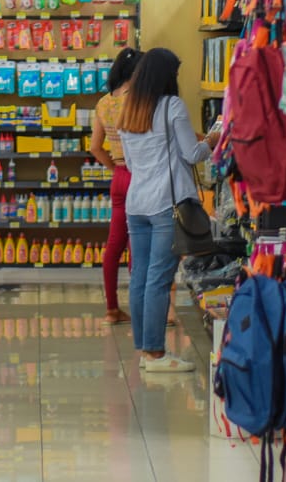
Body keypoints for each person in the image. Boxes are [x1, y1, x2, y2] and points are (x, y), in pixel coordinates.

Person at [117, 48, 219, 373]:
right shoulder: (172, 106)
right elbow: (192, 154)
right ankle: (156, 354)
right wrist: (214, 140)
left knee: (140, 277)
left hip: (136, 203)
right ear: (166, 76)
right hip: (165, 204)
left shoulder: (128, 109)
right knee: (159, 279)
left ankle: (145, 350)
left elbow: (129, 162)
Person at [88, 48, 143, 324]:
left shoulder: (104, 102)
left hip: (119, 177)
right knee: (137, 244)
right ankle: (139, 307)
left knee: (114, 244)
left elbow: (95, 147)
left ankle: (112, 309)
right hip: (140, 175)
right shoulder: (140, 100)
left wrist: (114, 168)